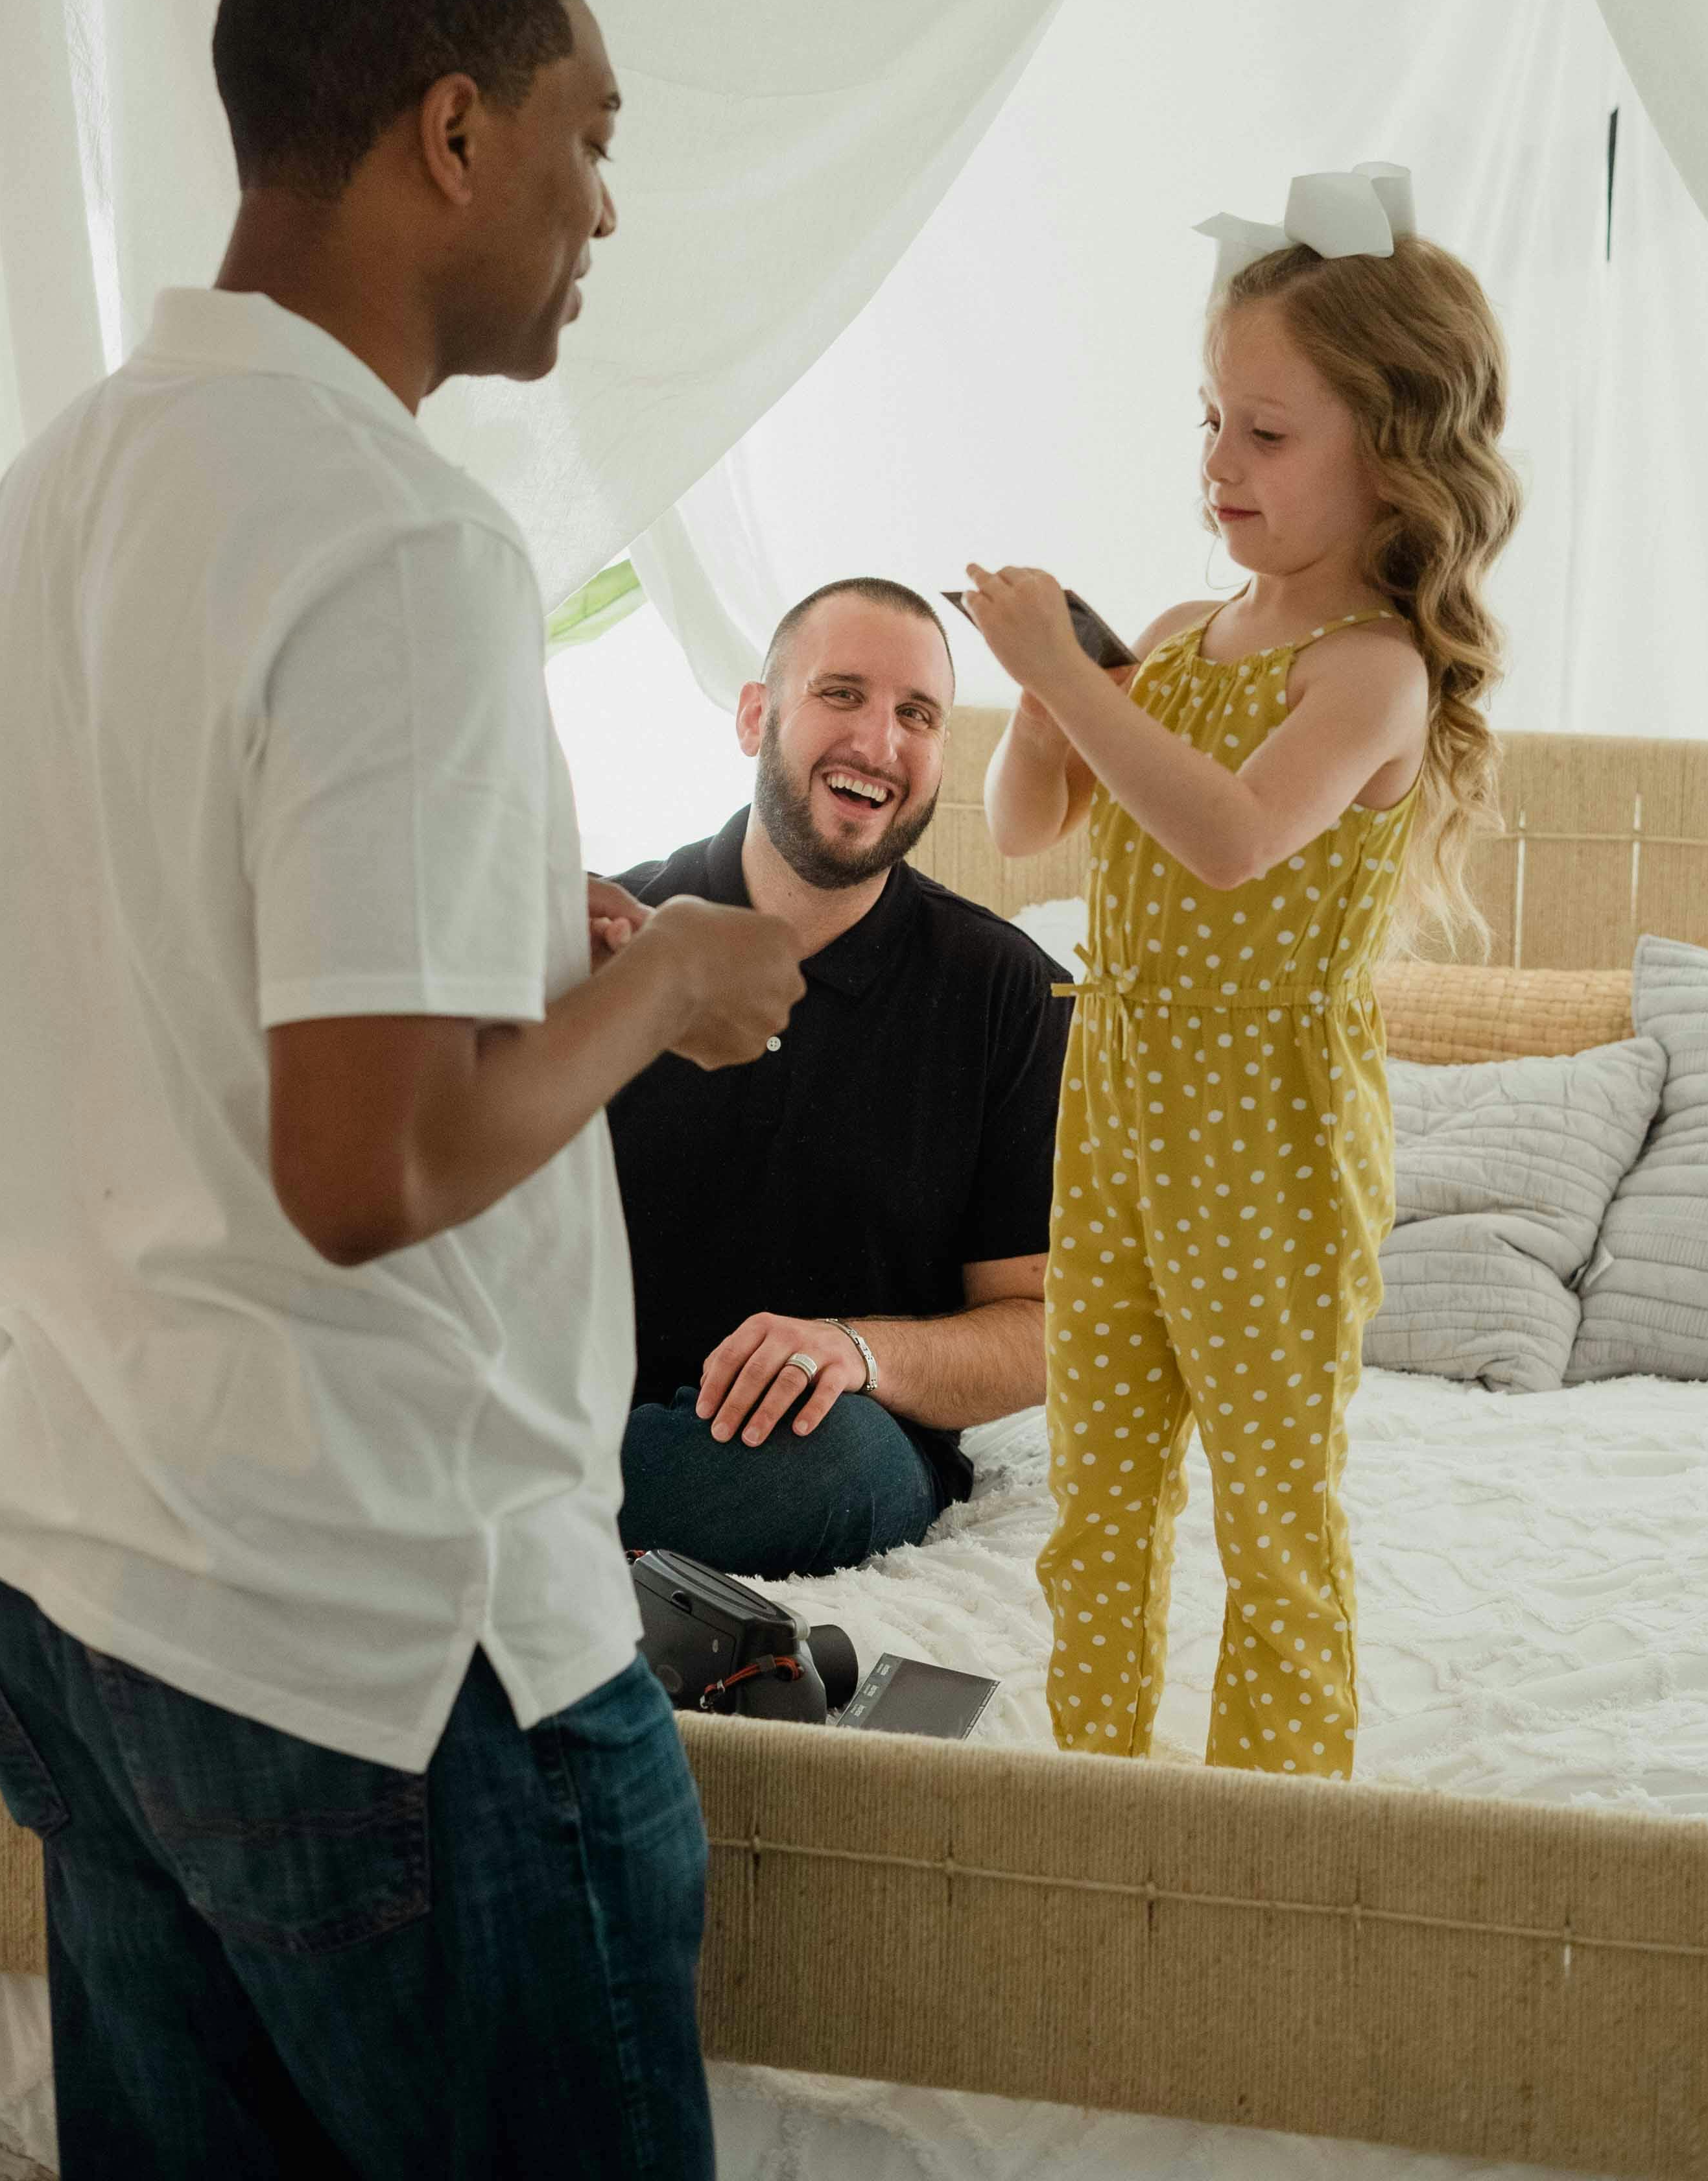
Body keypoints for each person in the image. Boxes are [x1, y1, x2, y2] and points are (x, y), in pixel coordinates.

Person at [0, 0, 803, 2179]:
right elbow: (364, 1168)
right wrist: (666, 980)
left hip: (84, 1570)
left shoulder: (46, 492)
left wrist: (497, 958)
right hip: (379, 1644)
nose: (608, 206)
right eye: (593, 137)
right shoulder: (395, 540)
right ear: (454, 133)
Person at [971, 164, 1522, 1776]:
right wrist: (1049, 695)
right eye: (1209, 418)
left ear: (1397, 449)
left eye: (1266, 432)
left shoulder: (1372, 675)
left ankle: (1266, 1846)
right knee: (1099, 1491)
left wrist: (1073, 673)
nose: (1218, 462)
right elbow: (1020, 830)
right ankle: (1098, 1791)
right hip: (1122, 1101)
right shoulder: (1177, 631)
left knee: (1274, 1515)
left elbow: (1223, 839)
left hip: (1271, 1132)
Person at [607, 576, 1072, 1581]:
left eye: (918, 716)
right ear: (754, 715)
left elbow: (1044, 1326)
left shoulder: (1011, 992)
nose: (879, 743)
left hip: (822, 1445)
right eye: (842, 694)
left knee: (836, 1462)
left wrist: (858, 1351)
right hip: (575, 1415)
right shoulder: (613, 934)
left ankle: (508, 1534)